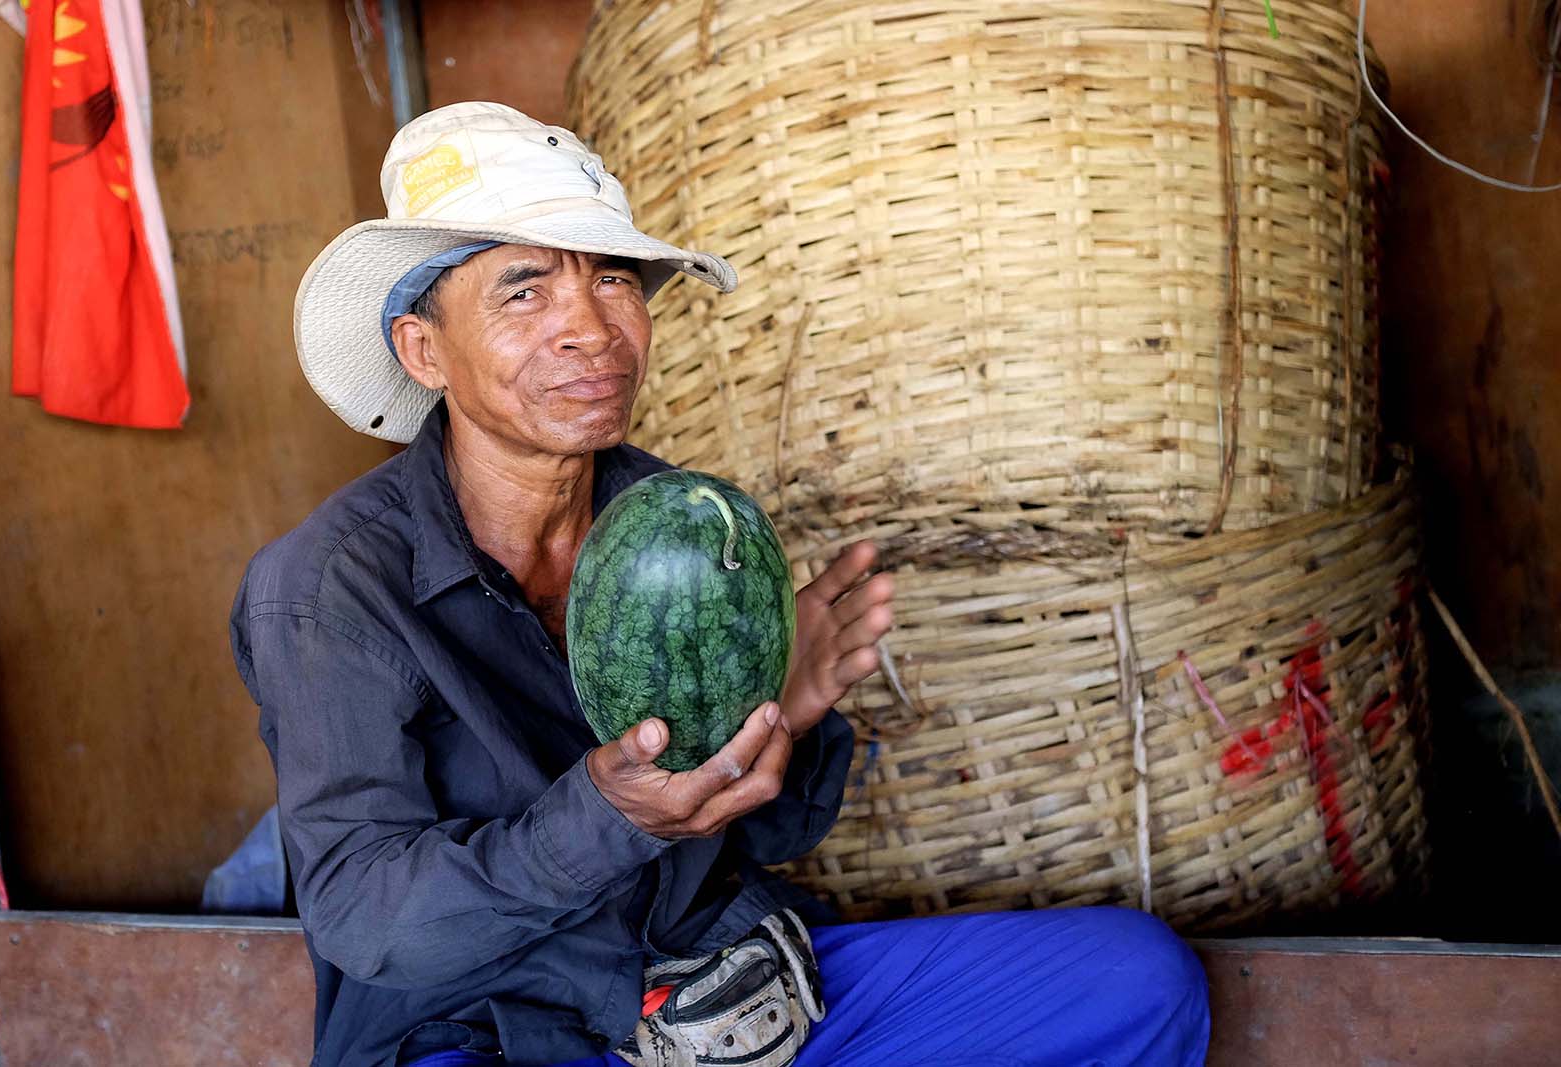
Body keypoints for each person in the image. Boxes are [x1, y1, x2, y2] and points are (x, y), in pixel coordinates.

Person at [230, 101, 1210, 1067]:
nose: (590, 328)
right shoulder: (329, 587)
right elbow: (370, 920)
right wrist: (606, 819)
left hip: (717, 997)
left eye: (612, 279)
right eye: (524, 290)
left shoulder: (688, 520)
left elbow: (777, 829)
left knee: (1133, 980)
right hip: (490, 1028)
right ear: (423, 349)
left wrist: (780, 719)